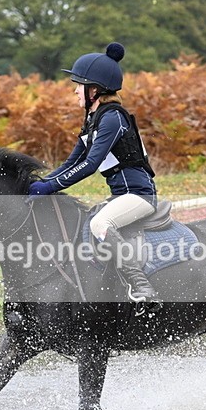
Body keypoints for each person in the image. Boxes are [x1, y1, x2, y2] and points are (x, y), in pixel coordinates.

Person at [28, 42, 161, 309]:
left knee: (100, 225)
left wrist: (50, 187)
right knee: (87, 221)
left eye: (79, 85)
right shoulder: (94, 119)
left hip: (139, 195)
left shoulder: (112, 118)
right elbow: (72, 161)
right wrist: (42, 183)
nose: (75, 90)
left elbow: (90, 164)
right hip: (121, 195)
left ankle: (142, 287)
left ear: (94, 90)